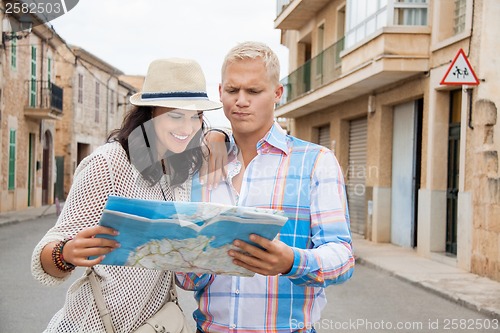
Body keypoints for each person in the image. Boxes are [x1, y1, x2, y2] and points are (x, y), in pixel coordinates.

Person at [31, 58, 222, 332]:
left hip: (153, 324)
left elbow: (233, 140)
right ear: (150, 113)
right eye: (176, 116)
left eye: (197, 117)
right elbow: (44, 257)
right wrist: (67, 253)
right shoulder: (109, 164)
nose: (188, 128)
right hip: (91, 325)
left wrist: (218, 135)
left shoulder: (180, 167)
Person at [177, 41, 355, 333]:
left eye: (254, 91)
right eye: (233, 91)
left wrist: (292, 261)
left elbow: (343, 258)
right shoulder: (201, 164)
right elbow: (186, 278)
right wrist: (187, 260)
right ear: (220, 92)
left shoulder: (316, 162)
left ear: (277, 93)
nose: (241, 101)